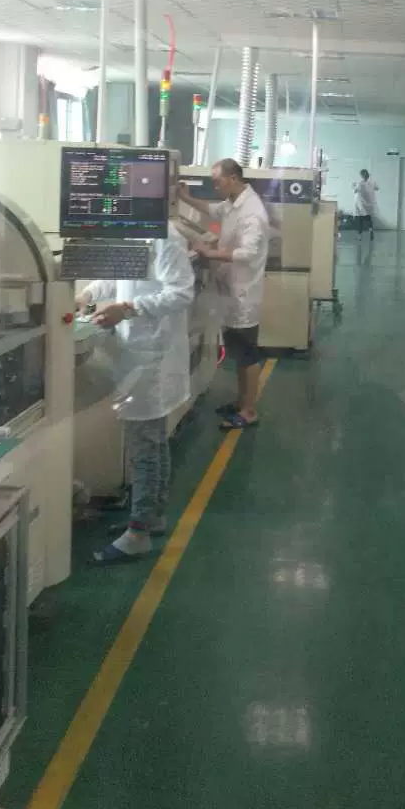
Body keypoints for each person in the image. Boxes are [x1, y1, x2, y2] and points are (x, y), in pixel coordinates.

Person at [83, 225, 195, 565]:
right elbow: (120, 275)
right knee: (154, 441)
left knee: (145, 446)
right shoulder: (132, 229)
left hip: (151, 357)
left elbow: (181, 293)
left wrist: (128, 309)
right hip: (137, 353)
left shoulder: (166, 236)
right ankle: (151, 516)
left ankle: (137, 535)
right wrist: (86, 295)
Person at [195, 158, 270, 430]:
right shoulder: (233, 202)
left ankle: (249, 412)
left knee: (248, 355)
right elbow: (214, 210)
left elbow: (247, 253)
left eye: (218, 182)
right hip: (231, 290)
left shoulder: (252, 212)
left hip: (243, 294)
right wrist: (184, 197)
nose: (215, 187)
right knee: (239, 353)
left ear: (233, 179)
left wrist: (210, 253)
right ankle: (241, 402)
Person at [352, 168, 379, 236]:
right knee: (368, 217)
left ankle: (360, 235)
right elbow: (377, 188)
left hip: (360, 203)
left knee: (360, 219)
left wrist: (353, 185)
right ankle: (370, 229)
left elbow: (355, 191)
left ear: (361, 175)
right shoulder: (372, 182)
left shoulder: (360, 183)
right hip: (369, 203)